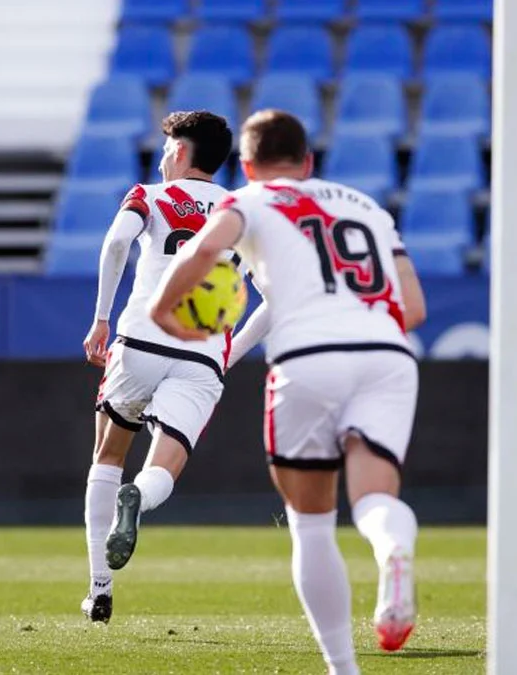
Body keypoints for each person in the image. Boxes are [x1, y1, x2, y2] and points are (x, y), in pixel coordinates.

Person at [148, 109, 428, 675]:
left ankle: (342, 668)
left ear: (247, 165)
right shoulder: (367, 207)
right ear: (309, 161)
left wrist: (162, 312)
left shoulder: (246, 202)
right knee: (375, 498)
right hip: (387, 354)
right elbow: (414, 308)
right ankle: (393, 550)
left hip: (308, 359)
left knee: (311, 524)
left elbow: (200, 254)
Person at [80, 111, 235, 623]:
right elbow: (266, 291)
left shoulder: (150, 195)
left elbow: (117, 243)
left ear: (182, 153)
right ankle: (138, 500)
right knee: (163, 466)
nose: (164, 156)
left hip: (142, 336)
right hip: (205, 350)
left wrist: (101, 318)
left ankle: (100, 588)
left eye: (169, 148)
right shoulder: (242, 210)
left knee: (108, 452)